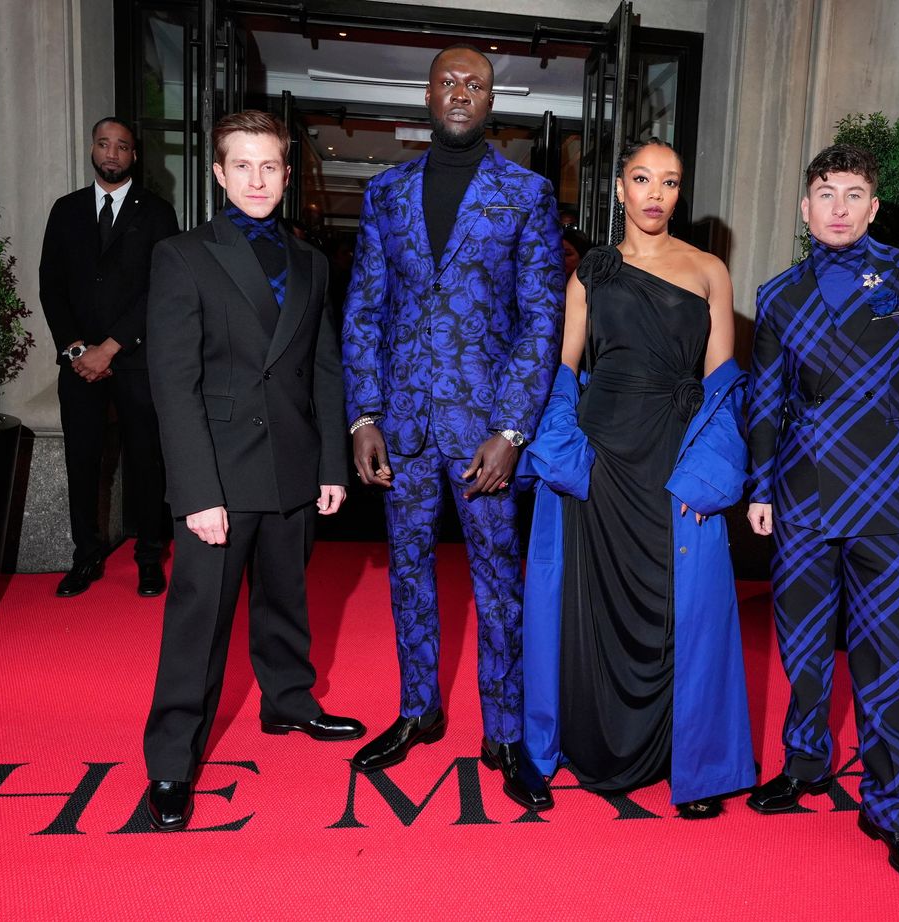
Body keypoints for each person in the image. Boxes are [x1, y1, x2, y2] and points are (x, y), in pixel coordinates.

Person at [745, 144, 899, 890]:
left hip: (889, 492)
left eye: (855, 194)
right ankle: (804, 761)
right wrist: (761, 487)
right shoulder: (780, 294)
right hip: (801, 493)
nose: (840, 207)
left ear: (874, 207)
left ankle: (888, 810)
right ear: (805, 206)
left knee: (886, 660)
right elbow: (763, 398)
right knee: (801, 645)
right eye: (827, 193)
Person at [342, 44, 563, 811]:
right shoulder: (386, 192)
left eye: (477, 82)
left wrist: (512, 430)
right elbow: (365, 307)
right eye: (449, 80)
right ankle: (417, 709)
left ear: (491, 98)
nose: (462, 91)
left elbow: (542, 319)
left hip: (483, 435)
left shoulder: (526, 194)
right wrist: (363, 412)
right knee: (407, 572)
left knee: (498, 581)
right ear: (428, 93)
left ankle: (504, 732)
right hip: (400, 424)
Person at [141, 111, 365, 832]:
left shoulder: (309, 261)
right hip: (219, 473)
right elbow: (172, 384)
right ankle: (173, 759)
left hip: (294, 465)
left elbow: (323, 368)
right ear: (218, 173)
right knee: (199, 624)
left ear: (288, 173)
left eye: (270, 165)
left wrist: (331, 462)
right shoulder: (183, 255)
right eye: (243, 165)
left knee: (287, 600)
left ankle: (288, 702)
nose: (258, 179)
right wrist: (197, 493)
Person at [521, 137, 754, 817]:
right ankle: (592, 743)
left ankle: (692, 759)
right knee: (590, 605)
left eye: (671, 182)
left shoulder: (710, 269)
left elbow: (721, 384)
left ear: (681, 193)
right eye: (643, 179)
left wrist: (712, 473)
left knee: (683, 609)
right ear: (619, 188)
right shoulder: (590, 273)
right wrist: (563, 457)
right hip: (601, 460)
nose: (656, 194)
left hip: (674, 462)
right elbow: (564, 372)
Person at [38, 117, 179, 598]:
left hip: (135, 357)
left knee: (146, 460)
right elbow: (50, 286)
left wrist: (112, 346)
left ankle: (148, 557)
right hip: (78, 360)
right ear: (93, 149)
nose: (112, 153)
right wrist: (77, 347)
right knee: (83, 459)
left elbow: (160, 290)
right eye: (104, 144)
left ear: (134, 156)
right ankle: (86, 555)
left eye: (122, 146)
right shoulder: (66, 210)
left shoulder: (158, 213)